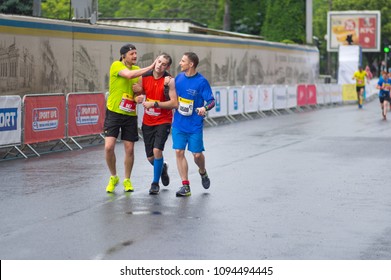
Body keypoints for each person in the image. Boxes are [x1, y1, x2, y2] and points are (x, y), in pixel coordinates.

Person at [104, 43, 157, 193]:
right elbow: (128, 75)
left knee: (130, 149)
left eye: (135, 53)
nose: (134, 56)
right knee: (109, 147)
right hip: (114, 111)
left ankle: (127, 179)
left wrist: (138, 98)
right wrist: (151, 66)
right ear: (123, 56)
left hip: (129, 114)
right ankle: (113, 176)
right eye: (131, 53)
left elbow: (136, 95)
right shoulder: (116, 65)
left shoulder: (137, 71)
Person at [132, 53, 178, 195]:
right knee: (151, 157)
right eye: (158, 62)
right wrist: (137, 98)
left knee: (158, 151)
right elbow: (137, 93)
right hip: (147, 121)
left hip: (163, 120)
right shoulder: (144, 76)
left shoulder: (169, 81)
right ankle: (162, 168)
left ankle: (155, 183)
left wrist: (155, 104)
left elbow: (174, 103)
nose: (160, 66)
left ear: (167, 67)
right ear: (155, 61)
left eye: (164, 64)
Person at [172, 52, 215, 197]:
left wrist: (205, 108)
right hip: (179, 123)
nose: (180, 63)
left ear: (191, 64)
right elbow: (171, 97)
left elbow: (212, 101)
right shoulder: (178, 79)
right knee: (179, 152)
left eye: (183, 61)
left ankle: (202, 171)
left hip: (194, 124)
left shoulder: (201, 82)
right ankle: (185, 186)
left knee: (197, 155)